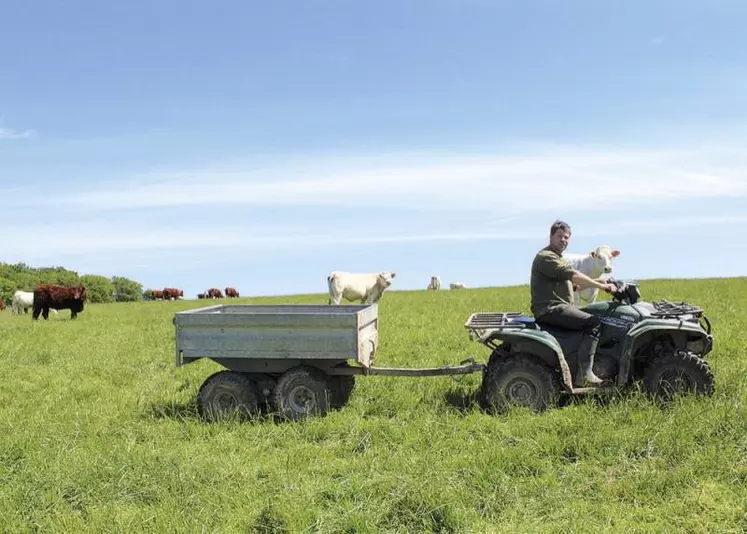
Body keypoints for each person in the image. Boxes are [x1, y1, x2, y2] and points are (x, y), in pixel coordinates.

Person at [530, 220, 617, 386]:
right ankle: (585, 375)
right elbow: (572, 275)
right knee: (594, 323)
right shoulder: (546, 257)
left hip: (559, 307)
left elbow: (574, 286)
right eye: (560, 236)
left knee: (596, 314)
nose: (564, 240)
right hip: (551, 309)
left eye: (567, 237)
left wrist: (601, 281)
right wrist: (602, 286)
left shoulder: (557, 257)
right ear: (551, 236)